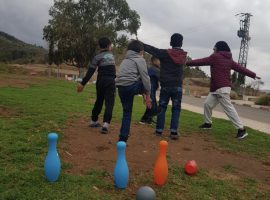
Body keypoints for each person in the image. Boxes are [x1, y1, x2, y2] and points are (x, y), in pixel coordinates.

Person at [186, 41, 261, 139]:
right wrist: (253, 75)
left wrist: (186, 63)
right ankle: (208, 124)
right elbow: (240, 68)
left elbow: (201, 61)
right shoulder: (229, 59)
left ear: (218, 48)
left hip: (221, 89)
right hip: (217, 89)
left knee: (229, 109)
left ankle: (241, 130)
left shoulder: (215, 57)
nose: (213, 49)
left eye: (214, 48)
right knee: (207, 104)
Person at [142, 33, 188, 140]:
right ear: (181, 43)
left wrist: (140, 44)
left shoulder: (165, 53)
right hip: (177, 86)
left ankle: (159, 130)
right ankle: (174, 132)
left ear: (171, 42)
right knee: (176, 108)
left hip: (166, 86)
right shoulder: (183, 56)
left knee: (162, 107)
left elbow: (152, 50)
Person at [77, 37, 116, 134]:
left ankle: (93, 120)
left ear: (100, 46)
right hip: (110, 81)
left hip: (100, 81)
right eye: (110, 45)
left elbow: (90, 71)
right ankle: (106, 125)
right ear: (108, 46)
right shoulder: (111, 56)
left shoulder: (97, 57)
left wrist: (83, 83)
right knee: (109, 103)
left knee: (99, 101)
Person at [116, 40, 152, 142]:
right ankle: (150, 105)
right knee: (148, 82)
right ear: (141, 51)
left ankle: (123, 138)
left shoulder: (125, 60)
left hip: (121, 87)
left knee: (127, 112)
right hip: (131, 86)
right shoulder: (140, 60)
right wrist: (148, 95)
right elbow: (145, 78)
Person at [140, 56, 161, 124]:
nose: (160, 62)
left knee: (153, 104)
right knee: (153, 105)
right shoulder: (153, 69)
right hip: (149, 88)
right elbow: (160, 78)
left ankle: (148, 119)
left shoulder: (154, 68)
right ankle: (144, 119)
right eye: (158, 60)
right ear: (154, 61)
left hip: (152, 89)